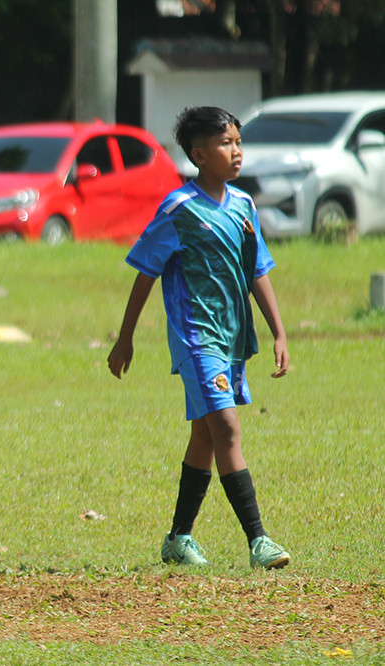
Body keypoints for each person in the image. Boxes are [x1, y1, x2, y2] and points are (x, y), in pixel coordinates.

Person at [107, 106, 292, 570]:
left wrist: (279, 332)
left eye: (238, 143)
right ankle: (259, 540)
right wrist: (125, 337)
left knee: (205, 438)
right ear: (199, 154)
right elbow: (146, 273)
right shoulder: (178, 209)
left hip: (232, 340)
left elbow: (257, 271)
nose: (237, 151)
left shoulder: (245, 206)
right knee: (228, 428)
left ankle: (178, 538)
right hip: (196, 340)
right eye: (226, 143)